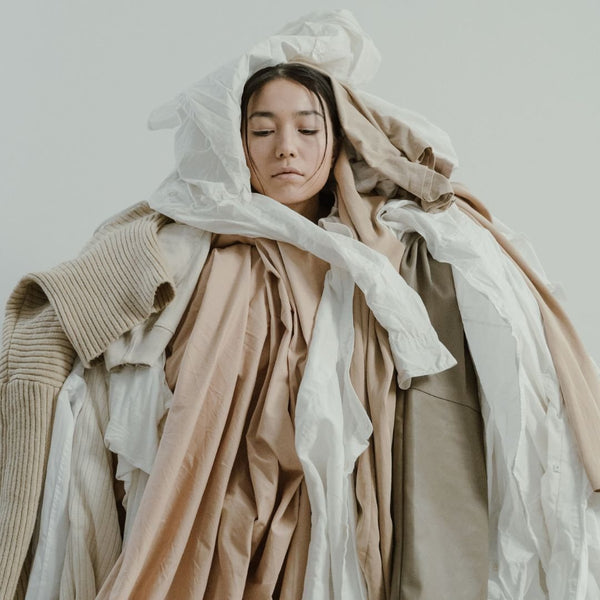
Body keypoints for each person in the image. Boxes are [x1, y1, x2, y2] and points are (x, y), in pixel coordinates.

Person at [1, 10, 599, 600]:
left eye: (307, 129)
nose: (286, 148)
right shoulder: (190, 242)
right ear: (239, 147)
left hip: (335, 493)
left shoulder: (384, 245)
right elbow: (66, 311)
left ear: (337, 141)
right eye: (263, 131)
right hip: (222, 491)